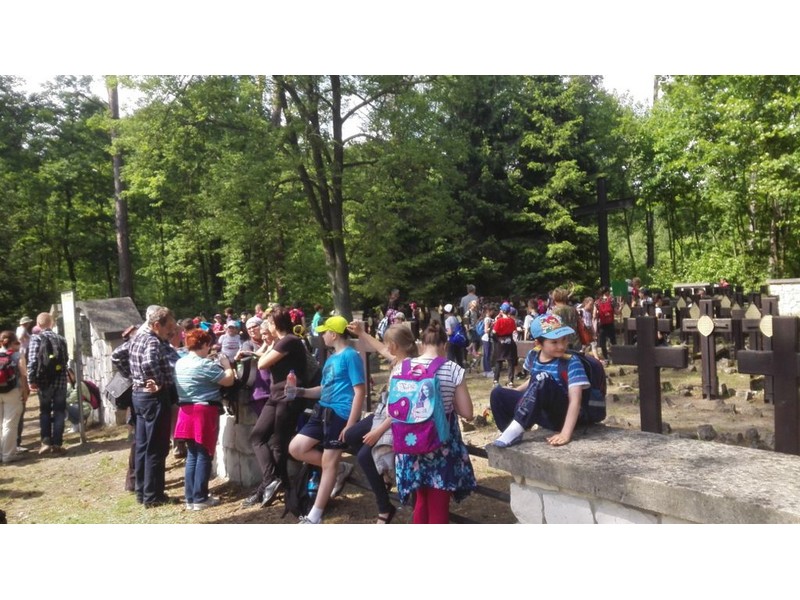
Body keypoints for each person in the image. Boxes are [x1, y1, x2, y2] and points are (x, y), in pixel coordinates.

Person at [393, 321, 476, 523]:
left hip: (410, 443)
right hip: (440, 444)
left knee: (421, 500)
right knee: (439, 504)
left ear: (422, 345)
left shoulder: (401, 367)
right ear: (444, 345)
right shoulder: (453, 369)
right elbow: (467, 413)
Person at [288, 315, 365, 524]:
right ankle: (340, 469)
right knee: (296, 448)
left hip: (340, 414)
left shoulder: (351, 356)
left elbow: (360, 391)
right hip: (321, 411)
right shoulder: (331, 359)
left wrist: (350, 424)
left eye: (324, 332)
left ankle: (314, 516)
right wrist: (300, 391)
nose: (322, 336)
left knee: (328, 462)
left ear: (334, 334)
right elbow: (324, 388)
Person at [345, 320, 418, 524]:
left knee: (363, 456)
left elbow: (402, 407)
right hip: (384, 413)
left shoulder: (408, 369)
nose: (385, 347)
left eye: (388, 344)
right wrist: (362, 333)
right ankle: (382, 473)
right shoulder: (399, 359)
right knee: (351, 435)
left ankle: (385, 508)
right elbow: (380, 348)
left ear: (394, 346)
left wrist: (378, 432)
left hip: (394, 420)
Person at [489, 313, 590, 448]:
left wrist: (565, 433)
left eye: (564, 339)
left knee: (543, 378)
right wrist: (515, 391)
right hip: (541, 412)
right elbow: (533, 381)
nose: (561, 346)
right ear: (539, 343)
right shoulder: (533, 355)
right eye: (554, 342)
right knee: (498, 393)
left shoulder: (572, 362)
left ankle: (516, 428)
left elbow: (575, 400)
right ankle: (509, 431)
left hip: (562, 414)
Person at [242, 306, 309, 507]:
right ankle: (271, 481)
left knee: (278, 445)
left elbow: (261, 363)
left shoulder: (289, 341)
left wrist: (267, 346)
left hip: (289, 398)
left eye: (268, 324)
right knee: (257, 437)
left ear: (274, 324)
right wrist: (268, 343)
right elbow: (261, 358)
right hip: (275, 396)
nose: (265, 328)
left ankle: (285, 490)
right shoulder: (279, 342)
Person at [173, 329, 236, 510]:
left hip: (185, 411)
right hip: (203, 411)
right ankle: (200, 498)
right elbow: (228, 381)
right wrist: (226, 365)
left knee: (192, 454)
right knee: (204, 453)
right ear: (205, 344)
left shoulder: (180, 362)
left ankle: (191, 497)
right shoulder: (204, 364)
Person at [128, 306, 179, 508]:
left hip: (138, 396)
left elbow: (119, 356)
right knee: (157, 447)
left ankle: (142, 491)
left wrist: (137, 380)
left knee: (142, 445)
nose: (172, 331)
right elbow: (149, 363)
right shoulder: (152, 341)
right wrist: (157, 381)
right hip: (154, 398)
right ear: (157, 325)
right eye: (169, 327)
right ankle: (153, 495)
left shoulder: (137, 338)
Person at [26, 312, 69, 455]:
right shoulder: (61, 339)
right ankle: (57, 444)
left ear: (38, 324)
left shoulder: (36, 338)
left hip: (44, 381)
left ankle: (45, 442)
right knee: (59, 412)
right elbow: (65, 360)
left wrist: (31, 380)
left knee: (44, 411)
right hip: (60, 381)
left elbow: (32, 361)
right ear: (52, 323)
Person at [0, 331, 28, 464]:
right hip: (13, 391)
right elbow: (23, 374)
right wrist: (25, 391)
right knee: (10, 424)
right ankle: (8, 454)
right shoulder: (17, 355)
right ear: (14, 342)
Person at [491, 302, 518, 386]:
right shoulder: (512, 321)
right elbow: (514, 330)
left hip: (500, 342)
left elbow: (494, 332)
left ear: (502, 311)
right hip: (509, 341)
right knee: (510, 362)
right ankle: (510, 381)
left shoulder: (499, 321)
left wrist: (496, 339)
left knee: (498, 361)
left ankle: (496, 380)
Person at [594, 286, 617, 362]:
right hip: (610, 323)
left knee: (602, 342)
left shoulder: (597, 302)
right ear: (607, 292)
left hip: (602, 324)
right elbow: (617, 312)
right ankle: (615, 356)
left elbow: (594, 315)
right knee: (613, 340)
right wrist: (621, 307)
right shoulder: (611, 300)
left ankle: (606, 357)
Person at [442, 303, 465, 368]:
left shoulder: (447, 320)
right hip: (458, 340)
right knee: (459, 357)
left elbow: (450, 332)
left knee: (451, 358)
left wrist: (444, 332)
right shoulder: (456, 318)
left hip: (451, 340)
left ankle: (451, 371)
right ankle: (461, 371)